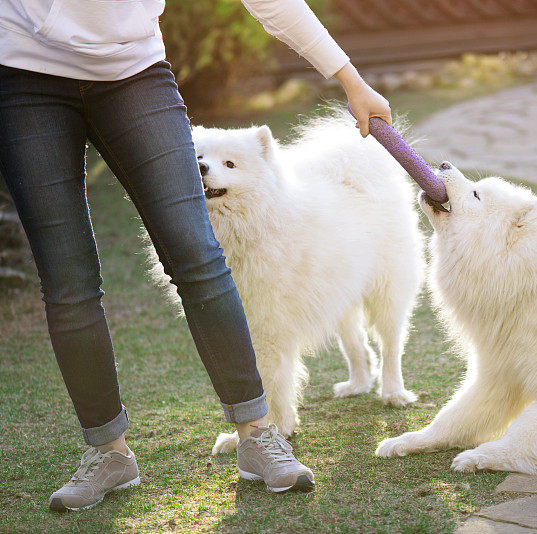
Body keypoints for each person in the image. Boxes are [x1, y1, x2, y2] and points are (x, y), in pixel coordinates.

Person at [0, 0, 392, 511]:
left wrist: (350, 80)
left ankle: (257, 434)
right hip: (25, 74)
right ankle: (108, 453)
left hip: (132, 73)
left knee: (200, 259)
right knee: (67, 280)